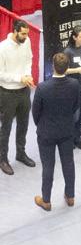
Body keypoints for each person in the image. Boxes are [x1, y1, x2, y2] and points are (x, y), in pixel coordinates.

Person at [31, 53, 79, 212]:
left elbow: (35, 112)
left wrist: (41, 125)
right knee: (68, 163)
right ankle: (70, 196)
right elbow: (75, 106)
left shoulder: (43, 88)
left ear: (53, 66)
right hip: (66, 130)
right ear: (67, 67)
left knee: (48, 166)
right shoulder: (74, 84)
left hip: (47, 133)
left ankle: (46, 201)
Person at [0, 19, 35, 178]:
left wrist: (27, 75)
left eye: (27, 34)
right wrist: (20, 78)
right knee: (6, 128)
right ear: (15, 31)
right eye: (23, 34)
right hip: (7, 93)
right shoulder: (2, 48)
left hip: (24, 91)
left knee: (23, 124)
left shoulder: (26, 41)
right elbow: (0, 74)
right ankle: (3, 159)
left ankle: (20, 153)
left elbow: (29, 60)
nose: (26, 37)